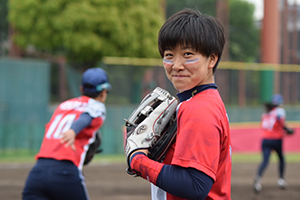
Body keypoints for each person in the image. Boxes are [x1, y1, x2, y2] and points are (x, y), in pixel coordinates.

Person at [128, 9, 231, 200]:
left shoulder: (199, 108)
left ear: (212, 58)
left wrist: (138, 160)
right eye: (169, 55)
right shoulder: (200, 101)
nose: (176, 65)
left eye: (188, 54)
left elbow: (195, 186)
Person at [22, 67, 111, 200]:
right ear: (103, 92)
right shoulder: (97, 105)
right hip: (65, 171)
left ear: (81, 89)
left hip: (38, 172)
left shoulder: (63, 105)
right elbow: (86, 117)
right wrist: (74, 130)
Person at [253, 94, 293, 193]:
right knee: (281, 158)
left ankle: (258, 180)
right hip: (276, 139)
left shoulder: (266, 113)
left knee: (265, 161)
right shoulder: (280, 111)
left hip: (265, 139)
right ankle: (281, 180)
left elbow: (264, 125)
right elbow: (281, 123)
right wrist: (288, 130)